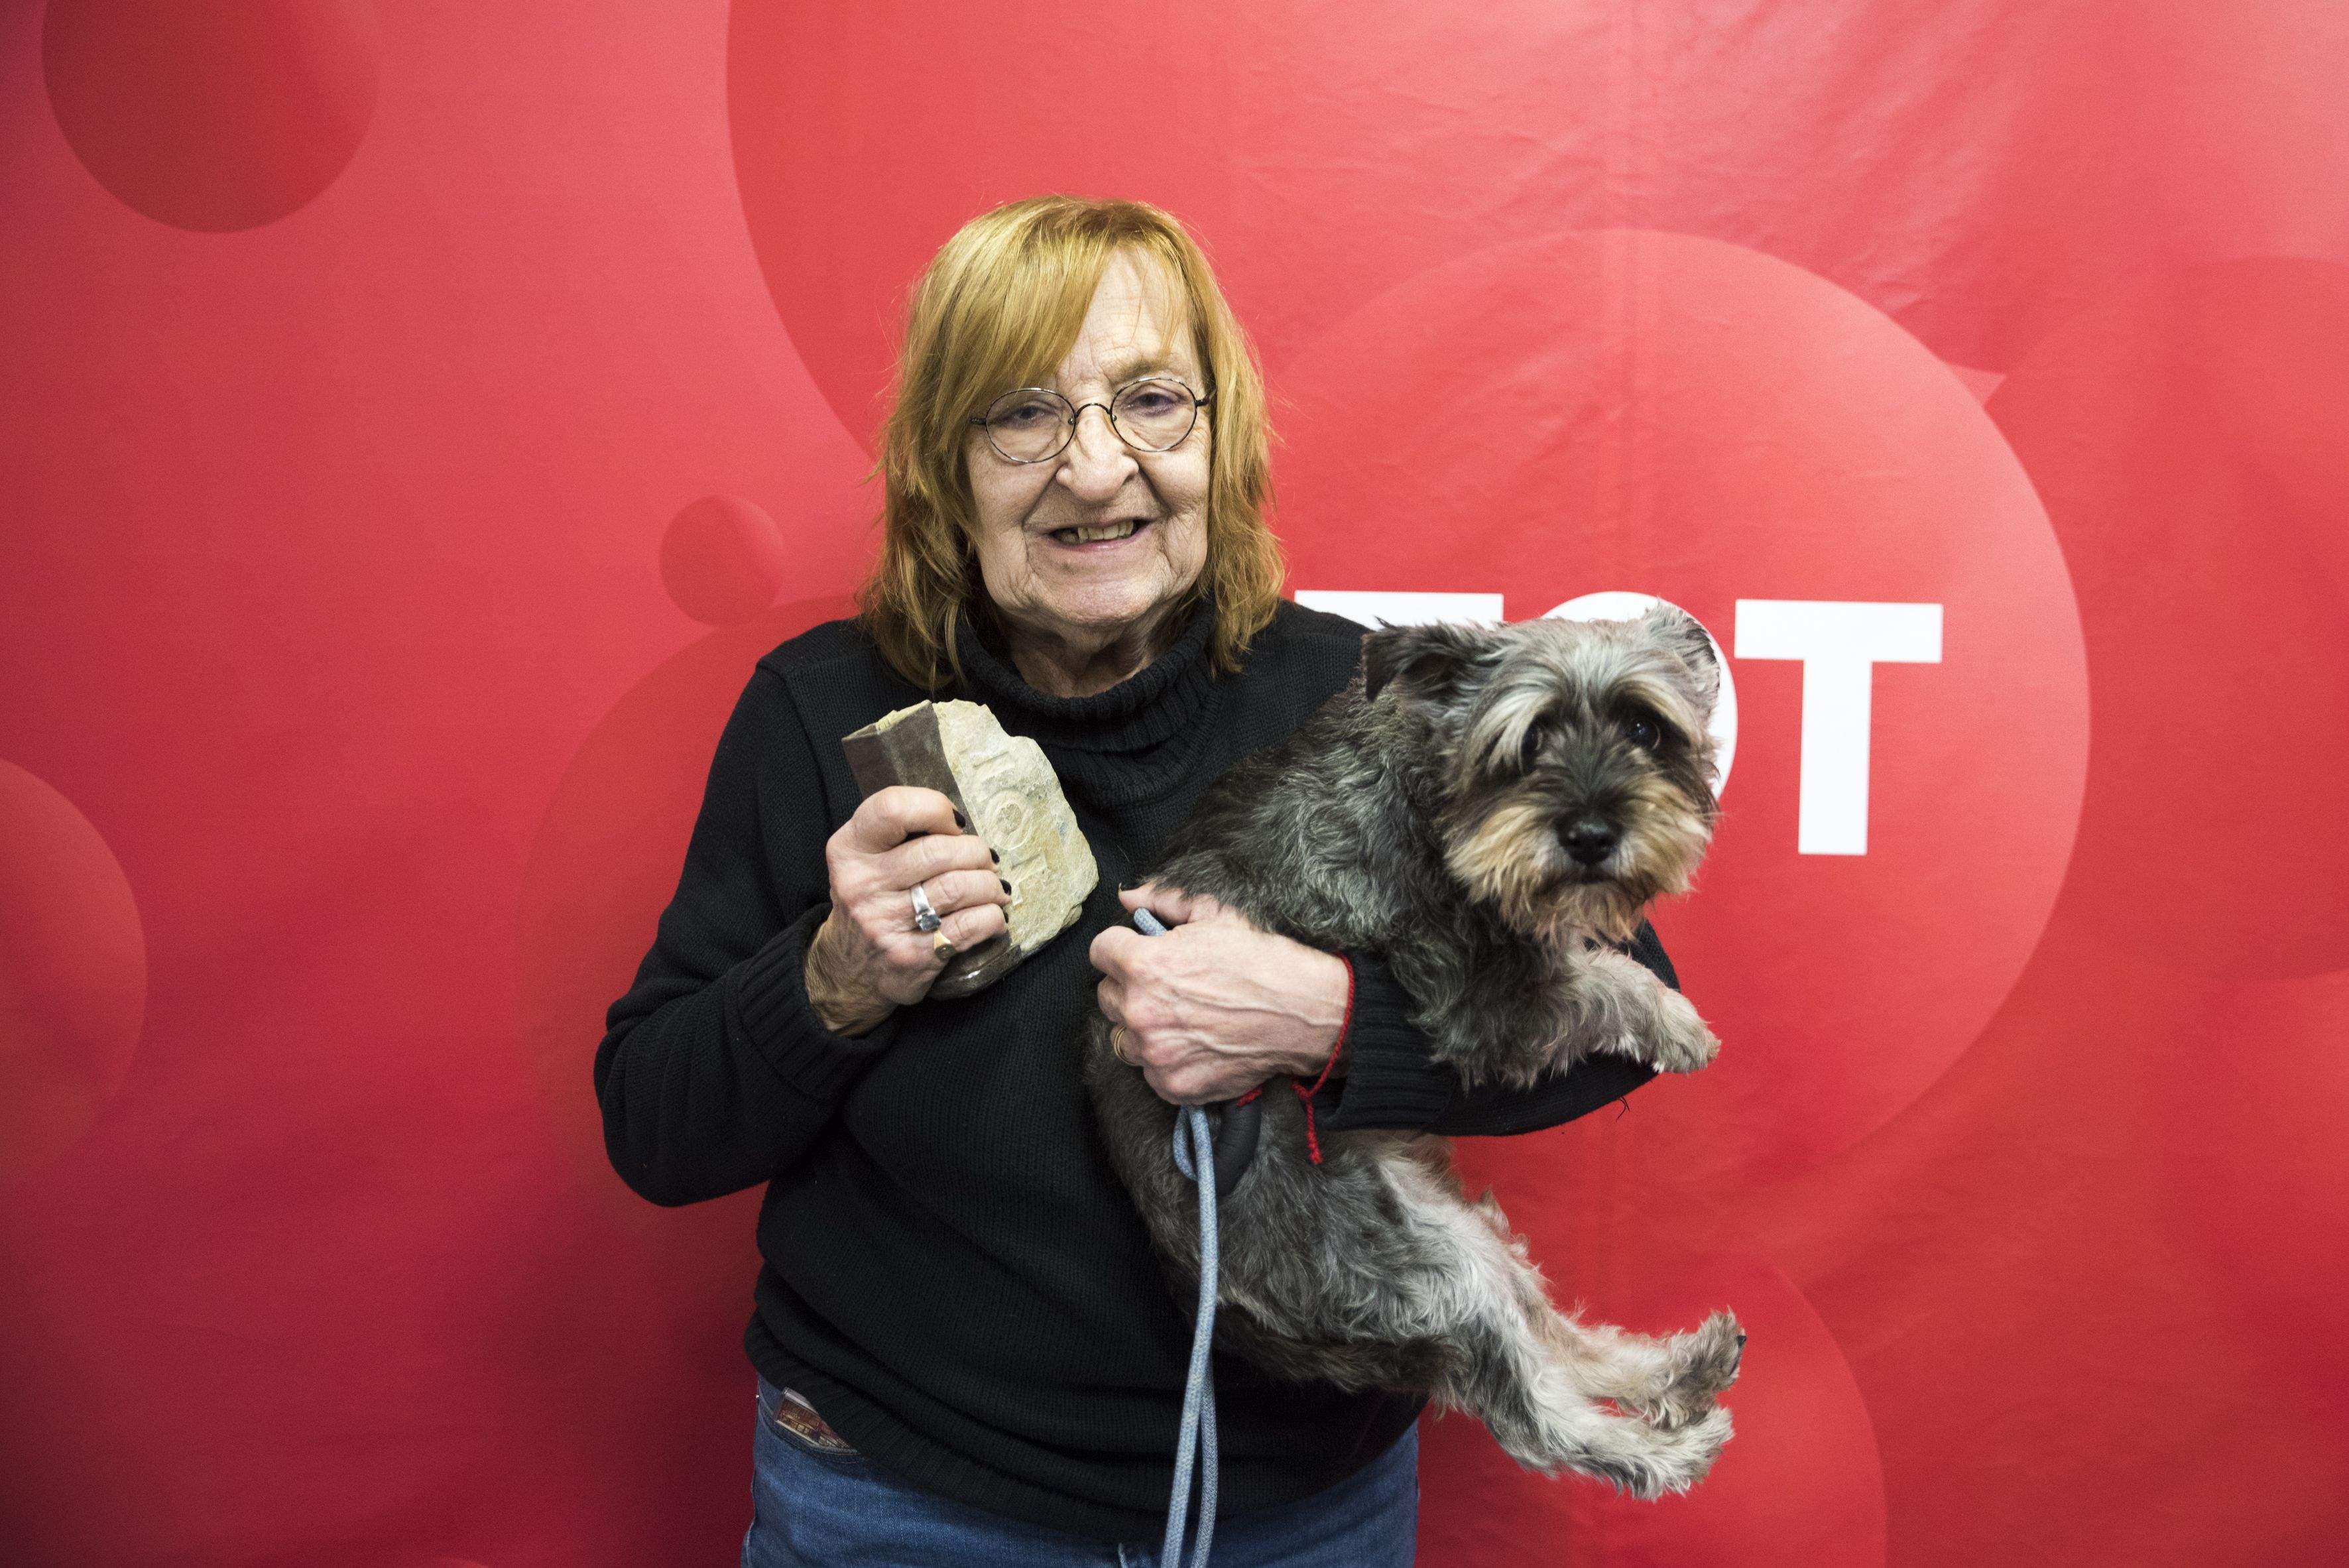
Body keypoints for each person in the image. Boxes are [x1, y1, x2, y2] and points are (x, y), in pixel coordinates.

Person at [595, 195, 1679, 1567]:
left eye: (1150, 401)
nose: (1094, 471)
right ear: (944, 464)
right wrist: (833, 976)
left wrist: (1329, 1022)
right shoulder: (817, 712)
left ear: (1220, 439)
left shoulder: (1360, 693)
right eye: (1019, 415)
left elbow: (1629, 1010)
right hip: (901, 1504)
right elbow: (655, 1127)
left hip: (1294, 1514)